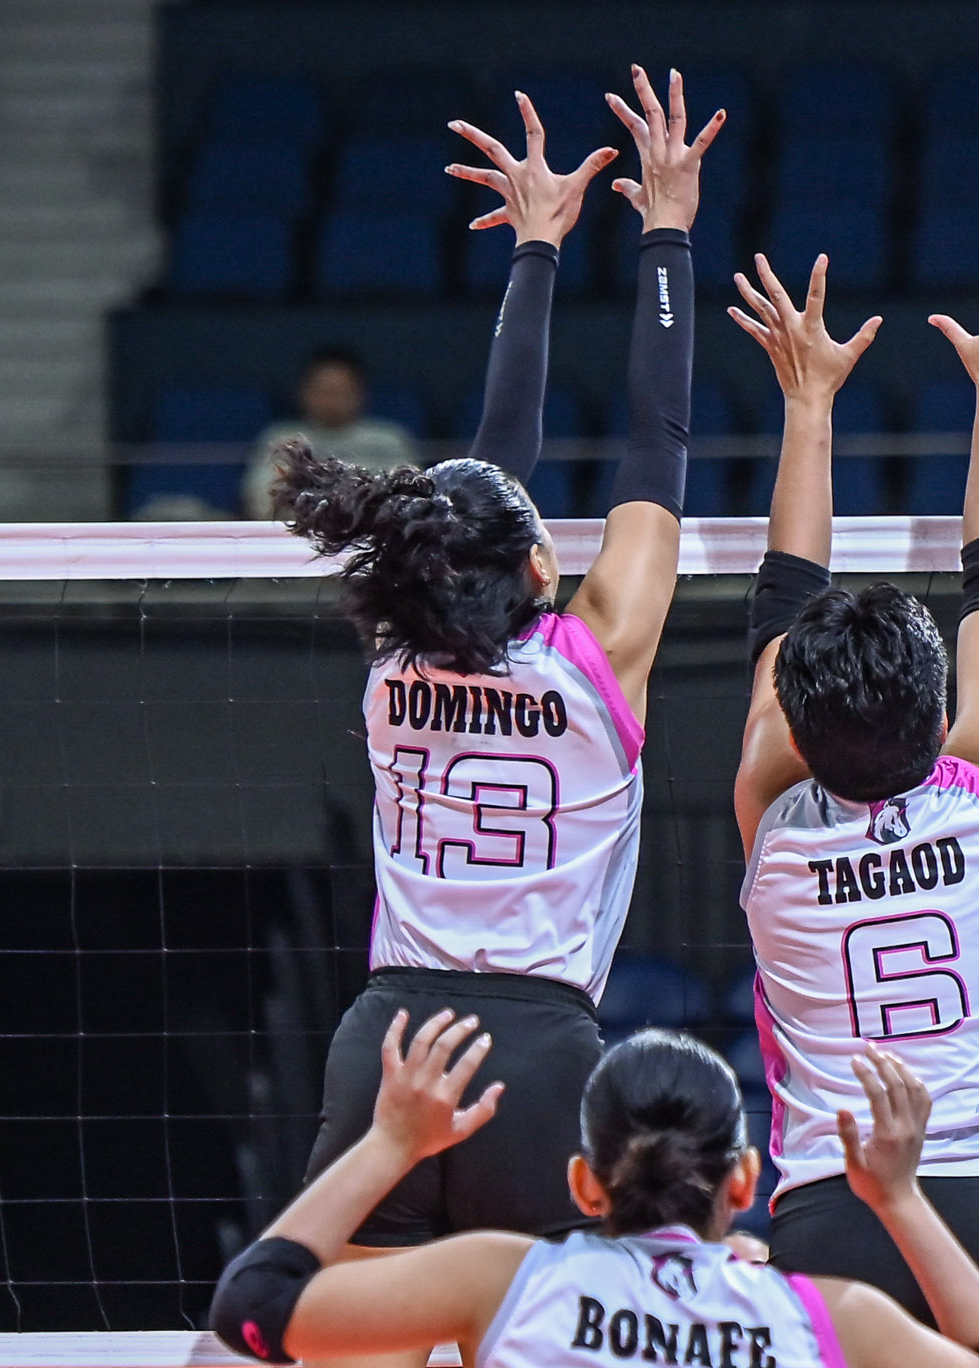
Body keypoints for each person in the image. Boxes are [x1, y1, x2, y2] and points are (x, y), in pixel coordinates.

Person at [267, 65, 723, 1333]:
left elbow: (487, 467)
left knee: (347, 1344)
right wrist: (665, 232)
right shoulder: (600, 654)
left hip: (389, 1037)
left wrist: (533, 248)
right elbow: (657, 441)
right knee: (529, 1345)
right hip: (536, 1047)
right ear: (537, 568)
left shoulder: (392, 659)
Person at [728, 243, 979, 1368]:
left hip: (832, 1197)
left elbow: (782, 600)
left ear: (795, 732)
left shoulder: (771, 812)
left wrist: (806, 406)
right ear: (939, 717)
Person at [212, 1012, 979, 1368]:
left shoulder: (505, 1282)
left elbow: (253, 1309)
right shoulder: (822, 1320)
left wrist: (392, 1143)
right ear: (743, 1180)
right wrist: (899, 1199)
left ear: (585, 1184)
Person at [242, 346, 421, 519]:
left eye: (341, 392)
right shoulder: (282, 437)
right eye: (323, 392)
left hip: (373, 532)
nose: (332, 401)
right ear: (303, 392)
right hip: (298, 531)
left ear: (362, 394)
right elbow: (260, 500)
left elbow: (409, 498)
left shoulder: (387, 438)